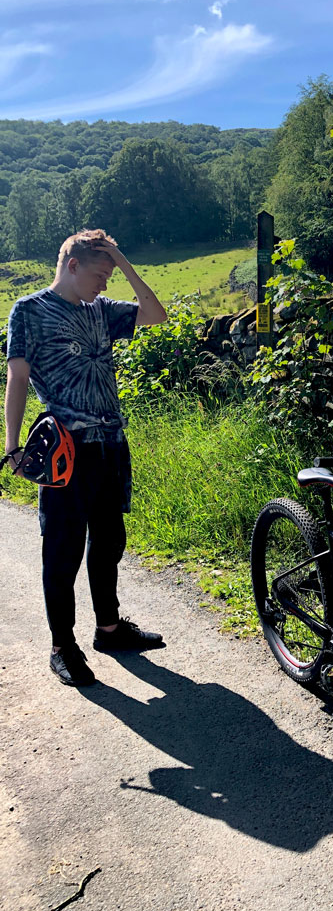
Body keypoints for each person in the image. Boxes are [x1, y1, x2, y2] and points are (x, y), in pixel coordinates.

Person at [4, 229, 168, 687]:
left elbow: (157, 315)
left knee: (110, 540)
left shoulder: (102, 310)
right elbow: (17, 378)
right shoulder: (29, 311)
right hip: (66, 450)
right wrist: (12, 445)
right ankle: (62, 646)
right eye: (99, 274)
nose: (104, 284)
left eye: (109, 276)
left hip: (110, 444)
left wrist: (122, 261)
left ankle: (109, 629)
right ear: (71, 265)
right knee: (62, 551)